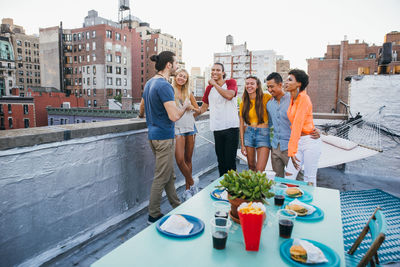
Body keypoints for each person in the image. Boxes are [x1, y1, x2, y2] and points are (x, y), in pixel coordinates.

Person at [139, 51, 190, 224]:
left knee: (169, 174)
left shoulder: (149, 83)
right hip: (164, 137)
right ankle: (153, 214)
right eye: (176, 63)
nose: (177, 66)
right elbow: (174, 116)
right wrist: (185, 107)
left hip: (153, 136)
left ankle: (177, 205)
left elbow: (141, 109)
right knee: (161, 176)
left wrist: (144, 116)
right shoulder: (165, 86)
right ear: (168, 65)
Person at [267, 72, 320, 179]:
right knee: (277, 179)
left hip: (291, 146)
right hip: (275, 147)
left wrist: (317, 130)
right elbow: (268, 124)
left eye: (272, 86)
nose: (269, 90)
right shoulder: (269, 104)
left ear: (280, 85)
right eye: (267, 87)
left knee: (298, 179)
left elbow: (303, 120)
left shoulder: (293, 99)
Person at [200, 63, 239, 177]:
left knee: (230, 163)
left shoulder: (231, 83)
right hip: (217, 128)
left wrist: (215, 85)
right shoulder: (209, 88)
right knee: (221, 163)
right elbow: (203, 108)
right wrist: (187, 113)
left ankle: (232, 192)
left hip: (231, 128)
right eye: (213, 70)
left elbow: (229, 95)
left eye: (218, 70)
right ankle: (223, 189)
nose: (214, 72)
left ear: (223, 72)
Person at [284, 69, 322, 186]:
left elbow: (297, 124)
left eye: (290, 80)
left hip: (310, 141)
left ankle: (309, 204)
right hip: (299, 141)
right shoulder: (292, 99)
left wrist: (291, 150)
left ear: (299, 84)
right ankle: (289, 203)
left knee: (309, 179)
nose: (286, 82)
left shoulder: (304, 99)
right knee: (289, 176)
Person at [172, 68, 201, 200]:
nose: (181, 78)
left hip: (190, 128)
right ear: (175, 76)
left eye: (184, 77)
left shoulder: (188, 92)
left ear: (186, 80)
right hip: (177, 129)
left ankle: (188, 190)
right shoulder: (169, 91)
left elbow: (198, 110)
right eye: (180, 75)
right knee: (179, 160)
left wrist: (192, 108)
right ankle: (193, 182)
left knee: (188, 159)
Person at [239, 76, 272, 172]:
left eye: (252, 84)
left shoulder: (266, 97)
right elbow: (241, 124)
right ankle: (252, 187)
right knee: (251, 166)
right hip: (249, 133)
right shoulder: (243, 102)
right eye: (247, 83)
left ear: (257, 86)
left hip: (263, 134)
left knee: (259, 169)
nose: (249, 86)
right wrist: (242, 144)